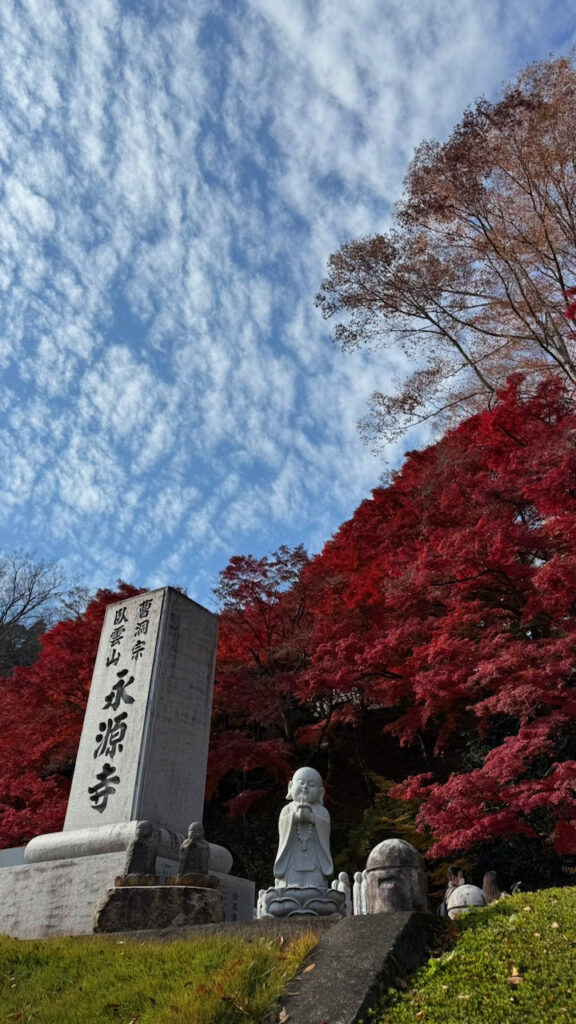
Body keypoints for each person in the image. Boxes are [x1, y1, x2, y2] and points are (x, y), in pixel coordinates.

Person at [273, 766, 333, 888]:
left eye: (311, 785)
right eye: (301, 783)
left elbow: (325, 829)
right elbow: (282, 827)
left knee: (315, 886)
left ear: (321, 792)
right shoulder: (288, 809)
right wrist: (294, 818)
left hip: (314, 856)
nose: (305, 787)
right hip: (292, 857)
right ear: (290, 787)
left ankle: (315, 885)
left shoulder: (322, 811)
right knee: (291, 885)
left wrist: (313, 819)